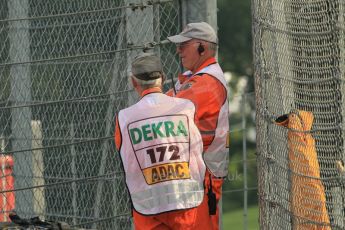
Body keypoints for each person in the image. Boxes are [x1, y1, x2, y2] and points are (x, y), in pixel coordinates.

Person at [114, 53, 212, 230]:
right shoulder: (187, 108)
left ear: (133, 82)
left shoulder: (124, 119)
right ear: (164, 78)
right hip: (185, 200)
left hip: (147, 206)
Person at [166, 22, 230, 229]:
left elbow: (166, 113)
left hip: (202, 181)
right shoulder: (194, 79)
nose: (178, 50)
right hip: (194, 178)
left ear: (201, 47)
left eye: (184, 45)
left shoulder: (207, 82)